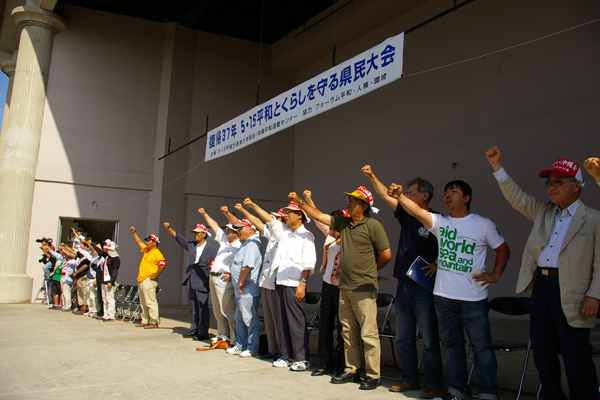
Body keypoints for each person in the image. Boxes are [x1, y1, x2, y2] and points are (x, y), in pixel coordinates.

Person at [486, 146, 599, 400]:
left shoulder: (592, 219)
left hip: (574, 292)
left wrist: (595, 294)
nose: (551, 187)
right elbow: (517, 198)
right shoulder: (544, 212)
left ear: (577, 186)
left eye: (559, 182)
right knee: (543, 350)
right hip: (542, 287)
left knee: (575, 353)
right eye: (549, 182)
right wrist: (497, 166)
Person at [388, 177, 510, 400]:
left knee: (481, 347)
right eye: (445, 192)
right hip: (444, 297)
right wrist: (400, 197)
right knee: (452, 347)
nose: (447, 195)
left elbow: (503, 249)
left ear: (466, 198)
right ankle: (457, 390)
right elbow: (416, 211)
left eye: (453, 192)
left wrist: (495, 275)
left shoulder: (483, 224)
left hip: (473, 298)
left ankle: (487, 393)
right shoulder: (440, 222)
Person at [289, 186, 392, 390]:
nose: (348, 203)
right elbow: (319, 216)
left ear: (364, 206)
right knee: (348, 331)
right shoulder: (344, 224)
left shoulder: (373, 226)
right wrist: (301, 202)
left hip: (364, 288)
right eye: (348, 200)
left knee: (368, 333)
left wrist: (371, 270)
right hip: (344, 287)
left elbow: (386, 254)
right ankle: (351, 369)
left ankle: (373, 375)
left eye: (353, 201)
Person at [362, 165, 444, 399]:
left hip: (424, 286)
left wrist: (438, 263)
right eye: (406, 193)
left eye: (411, 193)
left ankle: (434, 382)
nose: (406, 196)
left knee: (428, 338)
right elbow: (384, 195)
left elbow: (450, 246)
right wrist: (371, 176)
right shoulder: (407, 215)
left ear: (425, 196)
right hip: (404, 284)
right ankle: (409, 379)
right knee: (403, 337)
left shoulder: (437, 220)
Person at [242, 197, 316, 372]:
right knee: (281, 322)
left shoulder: (306, 236)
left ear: (300, 215)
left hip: (294, 284)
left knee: (296, 323)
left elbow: (308, 262)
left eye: (290, 212)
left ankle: (302, 359)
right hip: (279, 282)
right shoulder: (283, 233)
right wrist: (253, 206)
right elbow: (269, 220)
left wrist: (303, 283)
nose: (286, 215)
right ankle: (286, 356)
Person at [234, 202, 285, 360]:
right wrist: (244, 210)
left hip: (277, 283)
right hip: (266, 282)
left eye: (277, 218)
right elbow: (257, 222)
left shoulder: (285, 235)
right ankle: (273, 349)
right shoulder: (271, 235)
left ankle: (282, 351)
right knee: (269, 321)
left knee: (278, 320)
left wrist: (252, 206)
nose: (273, 221)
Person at [302, 190, 345, 377]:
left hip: (342, 286)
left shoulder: (350, 237)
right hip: (327, 283)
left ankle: (343, 366)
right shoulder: (330, 234)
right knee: (325, 323)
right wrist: (309, 200)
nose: (332, 227)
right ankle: (324, 364)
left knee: (343, 327)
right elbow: (317, 217)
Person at [163, 221, 217, 340]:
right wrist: (169, 228)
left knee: (202, 307)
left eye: (198, 233)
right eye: (194, 233)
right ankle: (193, 328)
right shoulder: (192, 246)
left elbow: (212, 266)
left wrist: (210, 282)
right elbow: (180, 239)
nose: (195, 235)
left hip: (203, 281)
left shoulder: (211, 249)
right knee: (193, 306)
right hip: (191, 279)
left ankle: (203, 331)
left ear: (204, 234)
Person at [198, 206, 241, 347]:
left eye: (230, 230)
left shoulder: (240, 245)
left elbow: (241, 264)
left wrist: (231, 274)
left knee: (227, 309)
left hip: (225, 279)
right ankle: (223, 336)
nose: (227, 232)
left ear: (237, 231)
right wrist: (204, 214)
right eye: (226, 229)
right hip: (214, 277)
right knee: (217, 311)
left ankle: (235, 340)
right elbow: (214, 225)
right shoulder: (224, 240)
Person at [225, 218, 263, 358]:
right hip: (240, 289)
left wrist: (240, 281)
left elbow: (247, 266)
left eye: (241, 229)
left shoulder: (252, 244)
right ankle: (241, 344)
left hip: (247, 288)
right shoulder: (246, 243)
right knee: (239, 317)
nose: (238, 232)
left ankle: (252, 347)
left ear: (250, 229)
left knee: (249, 319)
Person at [130, 227, 166, 329]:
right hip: (142, 279)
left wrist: (155, 274)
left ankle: (153, 321)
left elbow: (163, 264)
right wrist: (134, 232)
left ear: (154, 243)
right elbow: (139, 242)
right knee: (143, 302)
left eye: (149, 240)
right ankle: (145, 320)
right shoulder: (147, 250)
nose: (147, 242)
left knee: (150, 301)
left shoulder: (157, 253)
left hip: (149, 280)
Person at [90, 239, 121, 322]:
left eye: (107, 249)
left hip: (109, 281)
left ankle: (111, 315)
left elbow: (115, 271)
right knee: (104, 299)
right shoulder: (106, 256)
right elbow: (99, 251)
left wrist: (111, 281)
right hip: (103, 280)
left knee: (109, 299)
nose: (105, 250)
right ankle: (105, 315)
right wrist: (92, 244)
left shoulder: (116, 259)